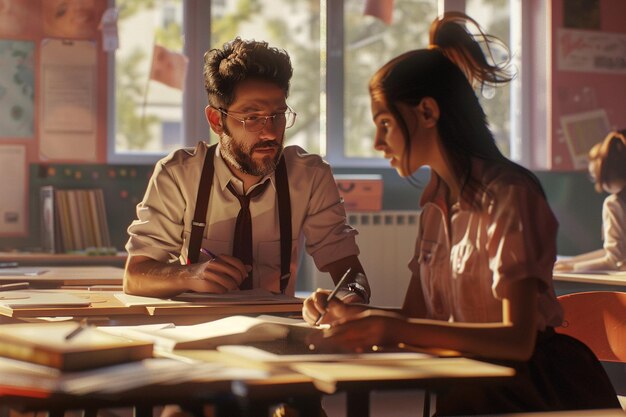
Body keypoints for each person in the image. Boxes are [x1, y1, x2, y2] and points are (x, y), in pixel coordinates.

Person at [303, 12, 620, 415]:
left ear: (428, 114)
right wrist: (352, 313)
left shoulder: (510, 195)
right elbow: (414, 318)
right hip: (472, 387)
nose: (378, 142)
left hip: (537, 392)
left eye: (384, 123)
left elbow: (518, 341)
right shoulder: (434, 207)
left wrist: (391, 328)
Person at [124, 37, 370, 304]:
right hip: (194, 325)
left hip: (277, 326)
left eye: (278, 114)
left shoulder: (310, 177)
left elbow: (351, 273)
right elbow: (135, 277)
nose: (270, 132)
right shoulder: (178, 175)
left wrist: (351, 297)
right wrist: (190, 275)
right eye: (252, 117)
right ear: (217, 120)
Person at [554, 129, 626, 272]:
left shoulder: (614, 204)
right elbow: (614, 252)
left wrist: (572, 268)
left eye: (594, 177)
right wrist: (573, 261)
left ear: (605, 173)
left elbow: (613, 260)